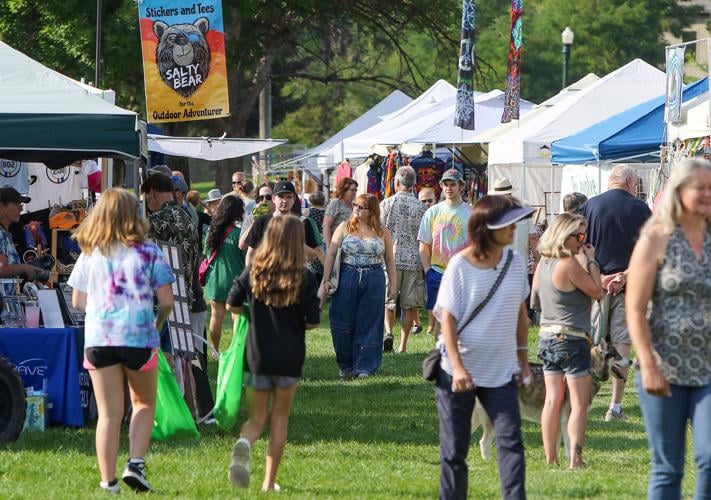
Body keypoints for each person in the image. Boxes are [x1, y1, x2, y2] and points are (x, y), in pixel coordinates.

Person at [68, 188, 175, 494]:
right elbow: (166, 301)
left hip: (99, 337)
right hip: (138, 336)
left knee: (108, 413)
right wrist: (156, 324)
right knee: (143, 403)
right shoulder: (148, 250)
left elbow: (78, 301)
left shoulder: (91, 252)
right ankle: (136, 463)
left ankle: (108, 482)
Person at [434, 195, 532, 500]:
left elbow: (521, 315)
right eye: (508, 223)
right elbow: (446, 320)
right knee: (454, 451)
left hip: (501, 372)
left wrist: (523, 361)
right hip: (457, 373)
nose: (515, 228)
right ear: (487, 227)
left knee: (511, 443)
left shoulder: (515, 264)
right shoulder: (459, 266)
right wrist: (459, 367)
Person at [625, 158, 711, 500]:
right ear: (679, 190)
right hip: (664, 367)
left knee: (709, 457)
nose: (707, 194)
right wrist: (647, 363)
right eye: (700, 188)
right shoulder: (657, 237)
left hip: (708, 369)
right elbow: (634, 307)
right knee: (668, 467)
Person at [226, 215, 320, 492]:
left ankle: (244, 444)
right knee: (280, 419)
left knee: (256, 419)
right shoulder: (304, 277)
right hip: (290, 356)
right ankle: (268, 482)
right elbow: (313, 321)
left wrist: (251, 314)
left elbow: (232, 303)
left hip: (258, 354)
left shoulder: (255, 269)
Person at [580, 164, 651, 421]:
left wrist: (599, 278)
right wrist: (624, 276)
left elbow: (578, 247)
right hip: (628, 285)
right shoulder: (641, 208)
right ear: (630, 182)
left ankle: (581, 401)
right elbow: (650, 250)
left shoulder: (589, 206)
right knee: (622, 345)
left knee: (593, 342)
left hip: (595, 285)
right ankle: (615, 407)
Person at [532, 213, 603, 468]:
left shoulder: (544, 263)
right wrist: (592, 261)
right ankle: (575, 458)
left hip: (547, 336)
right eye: (579, 236)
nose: (582, 242)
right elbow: (597, 292)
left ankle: (551, 459)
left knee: (552, 400)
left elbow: (535, 299)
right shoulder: (569, 263)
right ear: (566, 236)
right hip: (572, 338)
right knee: (579, 403)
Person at [323, 193, 396, 378]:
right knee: (342, 320)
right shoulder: (344, 226)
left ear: (371, 211)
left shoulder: (382, 231)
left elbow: (389, 259)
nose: (355, 208)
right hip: (348, 274)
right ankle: (345, 365)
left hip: (374, 277)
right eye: (354, 204)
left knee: (370, 322)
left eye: (360, 206)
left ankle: (365, 366)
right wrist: (326, 280)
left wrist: (393, 285)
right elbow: (331, 253)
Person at [141, 173, 200, 357]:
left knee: (159, 364)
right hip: (184, 300)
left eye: (145, 199)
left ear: (151, 193)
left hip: (160, 303)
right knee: (180, 365)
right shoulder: (189, 218)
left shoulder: (155, 222)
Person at [418, 169, 471, 337]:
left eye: (453, 184)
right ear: (441, 186)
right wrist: (428, 271)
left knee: (462, 319)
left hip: (463, 274)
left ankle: (459, 355)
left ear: (461, 186)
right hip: (438, 272)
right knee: (440, 319)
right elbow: (423, 245)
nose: (449, 188)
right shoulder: (432, 212)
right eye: (446, 184)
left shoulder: (472, 213)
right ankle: (441, 357)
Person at [380, 166, 427, 353]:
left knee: (389, 301)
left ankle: (389, 332)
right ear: (414, 184)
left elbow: (379, 231)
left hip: (390, 259)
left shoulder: (386, 204)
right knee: (409, 306)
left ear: (396, 182)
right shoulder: (422, 208)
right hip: (413, 261)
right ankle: (403, 345)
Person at [244, 181, 322, 267]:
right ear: (273, 199)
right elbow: (250, 254)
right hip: (267, 276)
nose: (285, 200)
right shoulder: (261, 221)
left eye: (289, 197)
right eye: (281, 197)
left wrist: (295, 241)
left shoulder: (303, 223)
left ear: (294, 199)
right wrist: (250, 276)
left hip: (292, 277)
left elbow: (313, 256)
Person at [203, 195, 246, 353]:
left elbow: (206, 253)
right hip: (235, 280)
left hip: (215, 279)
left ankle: (214, 351)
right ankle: (235, 350)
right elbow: (245, 257)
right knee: (236, 317)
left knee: (216, 316)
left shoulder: (212, 232)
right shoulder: (239, 234)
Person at [0, 187, 41, 293]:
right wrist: (24, 267)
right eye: (16, 204)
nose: (21, 209)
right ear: (1, 206)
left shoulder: (5, 233)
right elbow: (1, 269)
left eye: (21, 205)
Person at [239, 183, 275, 251]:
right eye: (261, 198)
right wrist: (255, 222)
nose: (264, 201)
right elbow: (242, 245)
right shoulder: (251, 218)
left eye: (268, 197)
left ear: (275, 198)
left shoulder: (281, 218)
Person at [323, 177, 358, 248]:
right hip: (335, 244)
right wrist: (329, 247)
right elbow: (326, 226)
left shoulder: (354, 205)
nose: (354, 192)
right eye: (352, 190)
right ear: (344, 190)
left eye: (355, 190)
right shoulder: (336, 203)